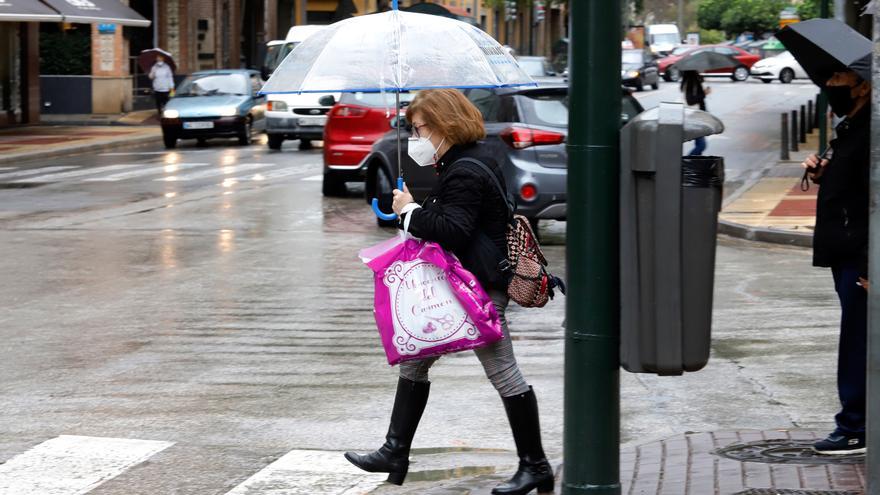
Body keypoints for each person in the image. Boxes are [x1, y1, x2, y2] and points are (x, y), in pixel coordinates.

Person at [344, 89, 554, 495]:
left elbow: (453, 229)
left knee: (505, 374)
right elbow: (457, 219)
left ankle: (536, 466)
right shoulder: (470, 160)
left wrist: (409, 210)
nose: (417, 138)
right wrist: (416, 208)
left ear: (444, 125)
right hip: (464, 286)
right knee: (414, 360)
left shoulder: (465, 170)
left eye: (420, 129)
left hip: (477, 292)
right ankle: (394, 451)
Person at [802, 68, 871, 455]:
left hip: (858, 255)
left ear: (863, 84)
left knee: (859, 340)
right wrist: (823, 172)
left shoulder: (870, 133)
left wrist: (869, 265)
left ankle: (855, 426)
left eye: (838, 79)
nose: (830, 86)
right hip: (846, 250)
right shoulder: (852, 126)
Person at [680, 70, 710, 155]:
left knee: (699, 145)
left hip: (697, 116)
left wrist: (702, 82)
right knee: (701, 145)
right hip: (694, 117)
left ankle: (694, 165)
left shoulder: (694, 79)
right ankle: (686, 162)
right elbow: (690, 101)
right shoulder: (691, 81)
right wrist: (704, 93)